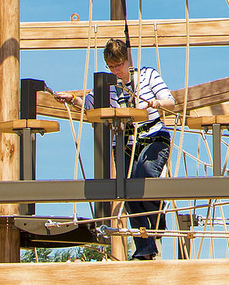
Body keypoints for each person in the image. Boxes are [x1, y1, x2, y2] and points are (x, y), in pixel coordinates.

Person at [54, 39, 176, 260]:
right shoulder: (109, 85)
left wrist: (154, 104)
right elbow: (91, 104)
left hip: (153, 136)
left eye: (118, 65)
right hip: (125, 141)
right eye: (110, 67)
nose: (115, 71)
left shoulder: (147, 75)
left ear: (127, 60)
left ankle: (158, 214)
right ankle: (145, 247)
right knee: (127, 192)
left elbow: (170, 102)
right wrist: (72, 99)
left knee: (145, 177)